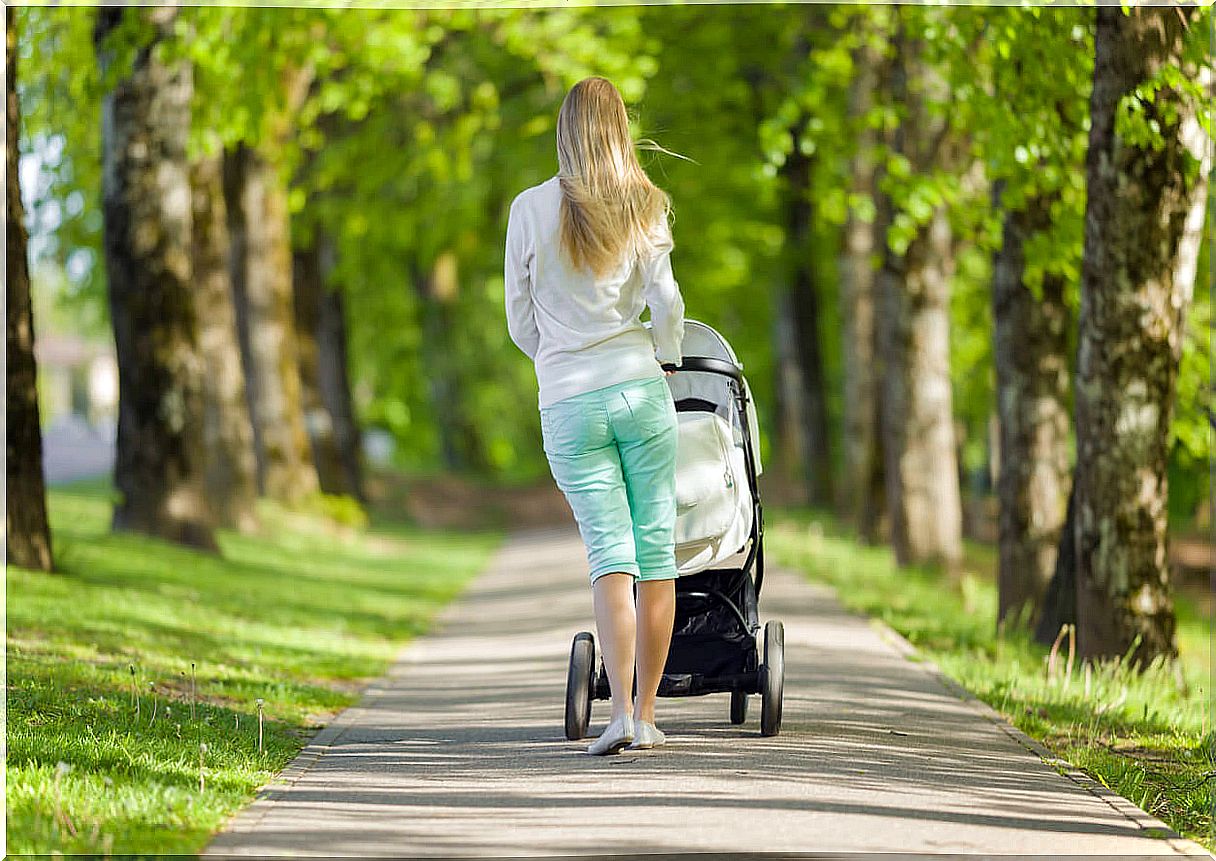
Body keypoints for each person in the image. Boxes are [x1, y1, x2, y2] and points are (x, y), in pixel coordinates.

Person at [503, 77, 686, 755]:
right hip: (640, 388)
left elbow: (520, 319)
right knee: (656, 551)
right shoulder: (644, 203)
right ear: (620, 131)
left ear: (564, 131)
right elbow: (666, 304)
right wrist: (665, 355)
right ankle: (645, 713)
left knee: (610, 554)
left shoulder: (528, 209)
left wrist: (554, 358)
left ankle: (614, 715)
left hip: (568, 401)